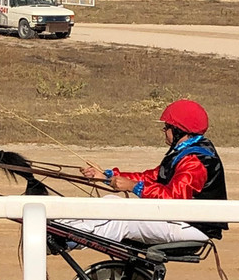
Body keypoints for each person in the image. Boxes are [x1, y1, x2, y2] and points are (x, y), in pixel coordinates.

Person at [52, 99, 228, 251]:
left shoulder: (195, 161)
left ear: (179, 131)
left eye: (167, 127)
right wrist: (106, 176)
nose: (164, 132)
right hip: (183, 221)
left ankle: (66, 240)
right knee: (111, 202)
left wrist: (132, 187)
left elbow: (174, 199)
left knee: (121, 219)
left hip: (193, 228)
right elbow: (151, 176)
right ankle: (59, 228)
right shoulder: (184, 151)